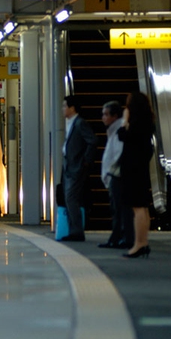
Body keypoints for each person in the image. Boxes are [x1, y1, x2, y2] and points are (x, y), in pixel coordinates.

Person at [118, 92, 155, 258]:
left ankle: (139, 244)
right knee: (143, 207)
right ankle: (143, 242)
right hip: (140, 169)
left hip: (133, 170)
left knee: (137, 207)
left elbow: (122, 136)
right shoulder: (147, 123)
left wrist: (124, 120)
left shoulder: (136, 125)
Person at [60, 96, 98, 240]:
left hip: (76, 167)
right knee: (69, 198)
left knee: (71, 198)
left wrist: (86, 161)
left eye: (65, 106)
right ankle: (73, 230)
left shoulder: (79, 123)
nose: (63, 109)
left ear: (72, 108)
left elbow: (92, 140)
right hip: (69, 166)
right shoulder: (70, 123)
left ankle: (76, 231)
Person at [99, 100, 132, 249]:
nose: (103, 118)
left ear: (115, 116)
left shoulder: (118, 130)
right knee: (118, 209)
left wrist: (110, 172)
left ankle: (121, 237)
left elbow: (117, 154)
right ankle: (119, 236)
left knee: (119, 209)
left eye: (106, 114)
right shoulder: (114, 130)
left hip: (117, 175)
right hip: (115, 175)